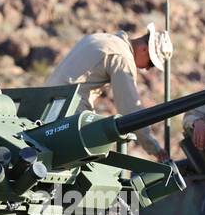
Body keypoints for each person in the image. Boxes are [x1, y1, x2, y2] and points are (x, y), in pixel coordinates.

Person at [45, 24, 173, 158]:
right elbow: (130, 109)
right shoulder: (122, 58)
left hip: (45, 104)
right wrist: (154, 148)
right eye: (150, 63)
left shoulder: (102, 38)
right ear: (144, 49)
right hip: (66, 115)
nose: (147, 69)